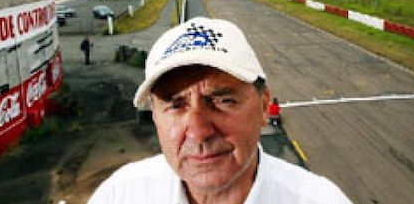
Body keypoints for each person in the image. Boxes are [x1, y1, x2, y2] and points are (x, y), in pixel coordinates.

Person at [88, 17, 353, 204]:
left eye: (223, 101)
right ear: (154, 116)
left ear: (263, 107)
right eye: (175, 105)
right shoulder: (119, 195)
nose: (199, 132)